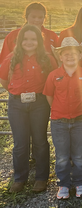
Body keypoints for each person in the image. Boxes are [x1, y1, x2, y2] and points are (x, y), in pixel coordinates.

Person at [0, 25, 57, 193]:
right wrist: (16, 93)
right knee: (20, 142)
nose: (29, 42)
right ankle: (20, 178)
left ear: (39, 41)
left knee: (40, 140)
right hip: (17, 104)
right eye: (25, 39)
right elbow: (4, 80)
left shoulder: (47, 58)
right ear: (20, 41)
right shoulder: (12, 58)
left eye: (33, 39)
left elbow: (53, 80)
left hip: (39, 103)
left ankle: (41, 178)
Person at [43, 37, 82, 200]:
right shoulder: (54, 75)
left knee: (79, 154)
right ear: (60, 56)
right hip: (59, 121)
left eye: (74, 53)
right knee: (62, 155)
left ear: (80, 55)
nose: (70, 56)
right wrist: (60, 109)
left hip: (79, 120)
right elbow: (50, 96)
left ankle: (80, 182)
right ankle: (64, 184)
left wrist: (80, 108)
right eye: (66, 53)